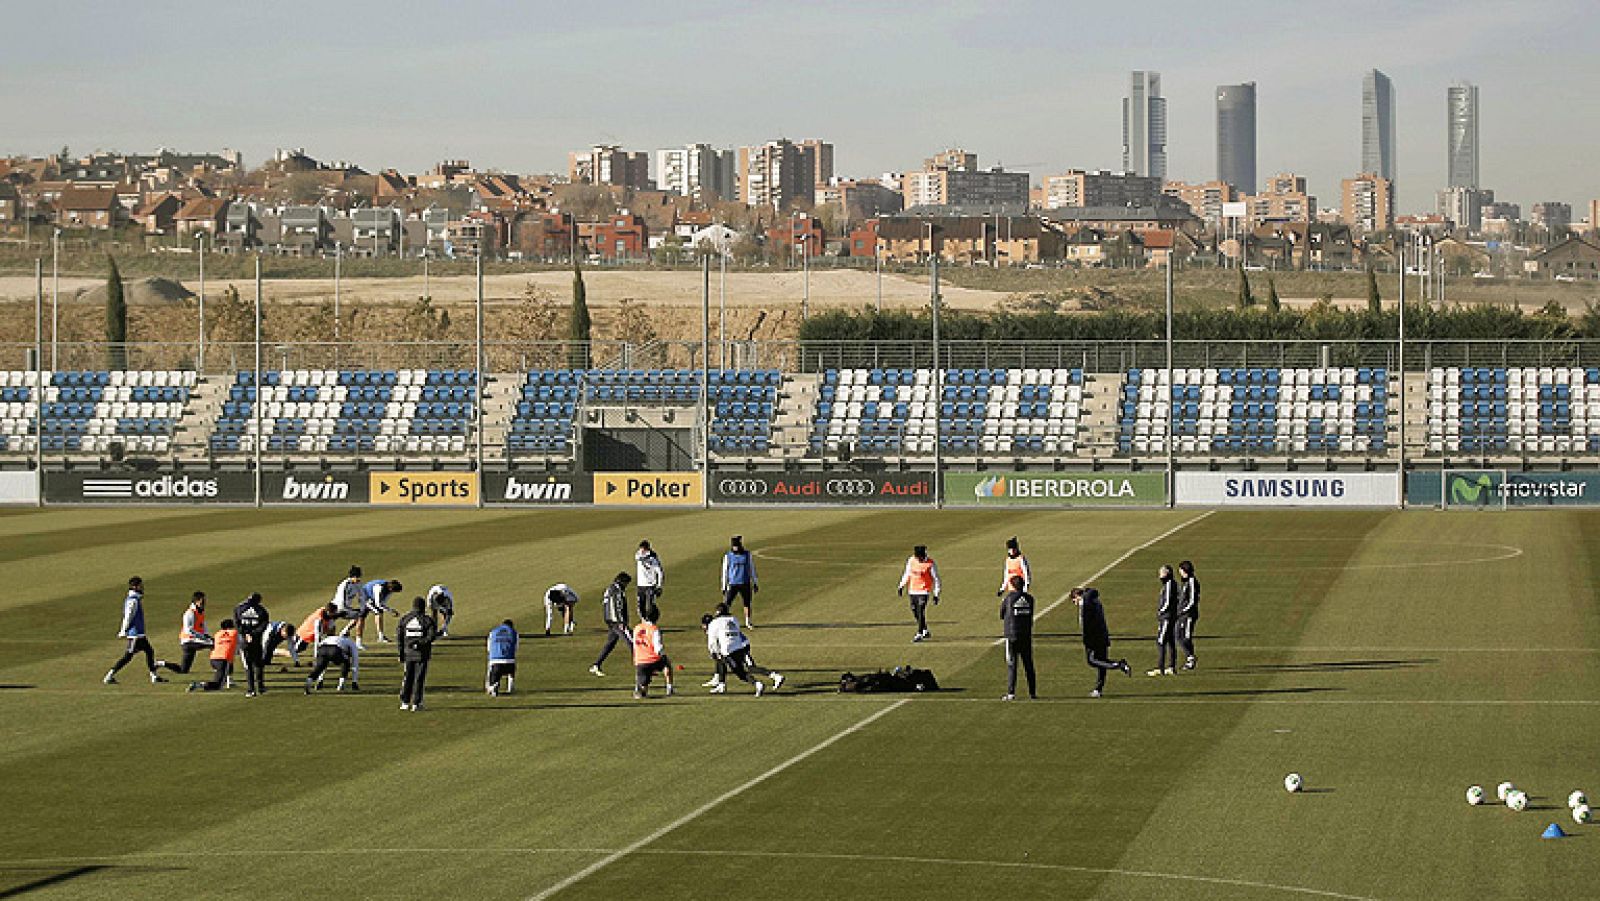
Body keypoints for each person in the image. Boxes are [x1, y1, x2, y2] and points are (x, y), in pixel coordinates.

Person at [703, 603, 783, 695]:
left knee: (741, 672)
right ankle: (722, 684)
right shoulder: (734, 619)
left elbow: (712, 641)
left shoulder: (714, 623)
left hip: (729, 650)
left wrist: (714, 652)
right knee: (748, 668)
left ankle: (758, 683)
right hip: (740, 648)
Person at [104, 576, 166, 685]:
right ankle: (109, 675)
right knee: (128, 656)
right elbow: (128, 616)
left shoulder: (135, 599)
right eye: (140, 585)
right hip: (135, 634)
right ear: (134, 586)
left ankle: (154, 676)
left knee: (149, 652)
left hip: (139, 634)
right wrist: (123, 631)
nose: (142, 587)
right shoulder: (132, 601)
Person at [1077, 587, 1131, 698]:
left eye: (1074, 601)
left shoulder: (1086, 604)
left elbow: (1086, 626)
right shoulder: (1095, 601)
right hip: (1103, 636)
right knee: (1102, 662)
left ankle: (1118, 665)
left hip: (1094, 639)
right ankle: (1098, 689)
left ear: (1077, 596)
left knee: (1092, 660)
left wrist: (1086, 640)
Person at [396, 596, 437, 712]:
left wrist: (401, 653)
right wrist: (420, 643)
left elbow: (399, 638)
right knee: (419, 679)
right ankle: (416, 703)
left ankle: (405, 702)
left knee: (407, 677)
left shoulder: (405, 619)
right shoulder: (427, 620)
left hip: (408, 653)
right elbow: (431, 637)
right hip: (422, 655)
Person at [157, 592, 213, 675]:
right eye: (202, 602)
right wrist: (204, 638)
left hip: (193, 641)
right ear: (196, 601)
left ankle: (161, 663)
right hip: (189, 641)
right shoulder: (190, 613)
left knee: (183, 670)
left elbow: (202, 626)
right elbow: (189, 630)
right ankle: (219, 669)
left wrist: (207, 636)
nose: (204, 603)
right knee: (214, 645)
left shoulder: (200, 612)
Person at [588, 573, 632, 677]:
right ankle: (643, 666)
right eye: (626, 583)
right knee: (631, 641)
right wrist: (621, 622)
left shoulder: (609, 589)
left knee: (610, 644)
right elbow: (617, 606)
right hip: (616, 621)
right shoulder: (617, 591)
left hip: (610, 620)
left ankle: (596, 665)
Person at [1000, 574, 1036, 701]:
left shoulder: (1008, 598)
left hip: (1011, 635)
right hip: (1026, 634)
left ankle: (1011, 693)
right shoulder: (1030, 599)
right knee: (1028, 664)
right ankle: (1032, 692)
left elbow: (1002, 613)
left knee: (1012, 664)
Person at [897, 545, 942, 642]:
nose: (919, 559)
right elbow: (907, 573)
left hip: (924, 591)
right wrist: (901, 586)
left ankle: (919, 633)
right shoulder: (911, 560)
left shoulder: (930, 564)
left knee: (920, 610)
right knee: (915, 611)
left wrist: (936, 594)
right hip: (912, 590)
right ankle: (925, 630)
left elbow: (936, 579)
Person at [631, 606, 674, 699]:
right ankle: (669, 688)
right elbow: (658, 646)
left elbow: (634, 644)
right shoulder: (654, 629)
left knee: (643, 685)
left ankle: (640, 688)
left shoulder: (637, 628)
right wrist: (663, 656)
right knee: (667, 665)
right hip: (653, 659)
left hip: (640, 661)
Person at [233, 592, 270, 697]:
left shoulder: (239, 608)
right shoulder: (262, 611)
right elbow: (264, 626)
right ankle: (261, 687)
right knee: (258, 664)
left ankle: (251, 689)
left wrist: (245, 634)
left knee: (248, 666)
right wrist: (253, 634)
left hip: (244, 642)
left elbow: (236, 624)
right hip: (256, 641)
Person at [187, 619, 239, 693]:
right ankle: (198, 685)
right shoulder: (235, 633)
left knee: (224, 670)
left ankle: (229, 681)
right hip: (223, 659)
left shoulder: (218, 634)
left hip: (213, 659)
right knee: (218, 685)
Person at [350, 578, 403, 646]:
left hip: (371, 599)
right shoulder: (379, 587)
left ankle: (381, 637)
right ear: (391, 588)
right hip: (364, 597)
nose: (392, 593)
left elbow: (383, 603)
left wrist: (390, 610)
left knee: (377, 612)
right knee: (362, 616)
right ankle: (358, 642)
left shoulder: (389, 591)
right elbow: (378, 604)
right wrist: (390, 611)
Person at [721, 536, 759, 628]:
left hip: (745, 582)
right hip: (733, 583)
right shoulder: (728, 556)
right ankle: (723, 621)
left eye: (737, 546)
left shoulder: (747, 555)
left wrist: (755, 582)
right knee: (727, 603)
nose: (736, 548)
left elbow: (751, 569)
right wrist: (724, 585)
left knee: (747, 603)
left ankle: (748, 621)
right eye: (734, 546)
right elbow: (725, 571)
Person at [1148, 565, 1179, 677]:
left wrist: (1161, 611)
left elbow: (1168, 601)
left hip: (1167, 617)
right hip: (1170, 616)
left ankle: (1160, 667)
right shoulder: (1171, 584)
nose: (1159, 576)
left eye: (1161, 573)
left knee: (1161, 642)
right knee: (1170, 641)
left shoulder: (1170, 584)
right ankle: (1171, 667)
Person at [486, 619, 519, 697]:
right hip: (509, 663)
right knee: (512, 669)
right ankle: (510, 687)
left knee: (492, 670)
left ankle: (492, 686)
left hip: (495, 662)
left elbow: (489, 648)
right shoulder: (514, 632)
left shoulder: (493, 632)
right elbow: (516, 647)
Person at [1177, 560, 1200, 670]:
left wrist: (1184, 610)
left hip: (1189, 615)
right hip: (1182, 614)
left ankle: (1191, 658)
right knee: (1178, 635)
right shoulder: (1186, 582)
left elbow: (1192, 600)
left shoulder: (1192, 582)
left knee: (1186, 637)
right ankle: (1190, 657)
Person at [635, 540, 664, 620]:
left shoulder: (654, 558)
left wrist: (659, 586)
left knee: (651, 606)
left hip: (650, 585)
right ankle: (643, 620)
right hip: (640, 585)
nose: (642, 550)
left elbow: (660, 572)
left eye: (643, 549)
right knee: (640, 605)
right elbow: (639, 557)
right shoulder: (638, 554)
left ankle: (651, 620)